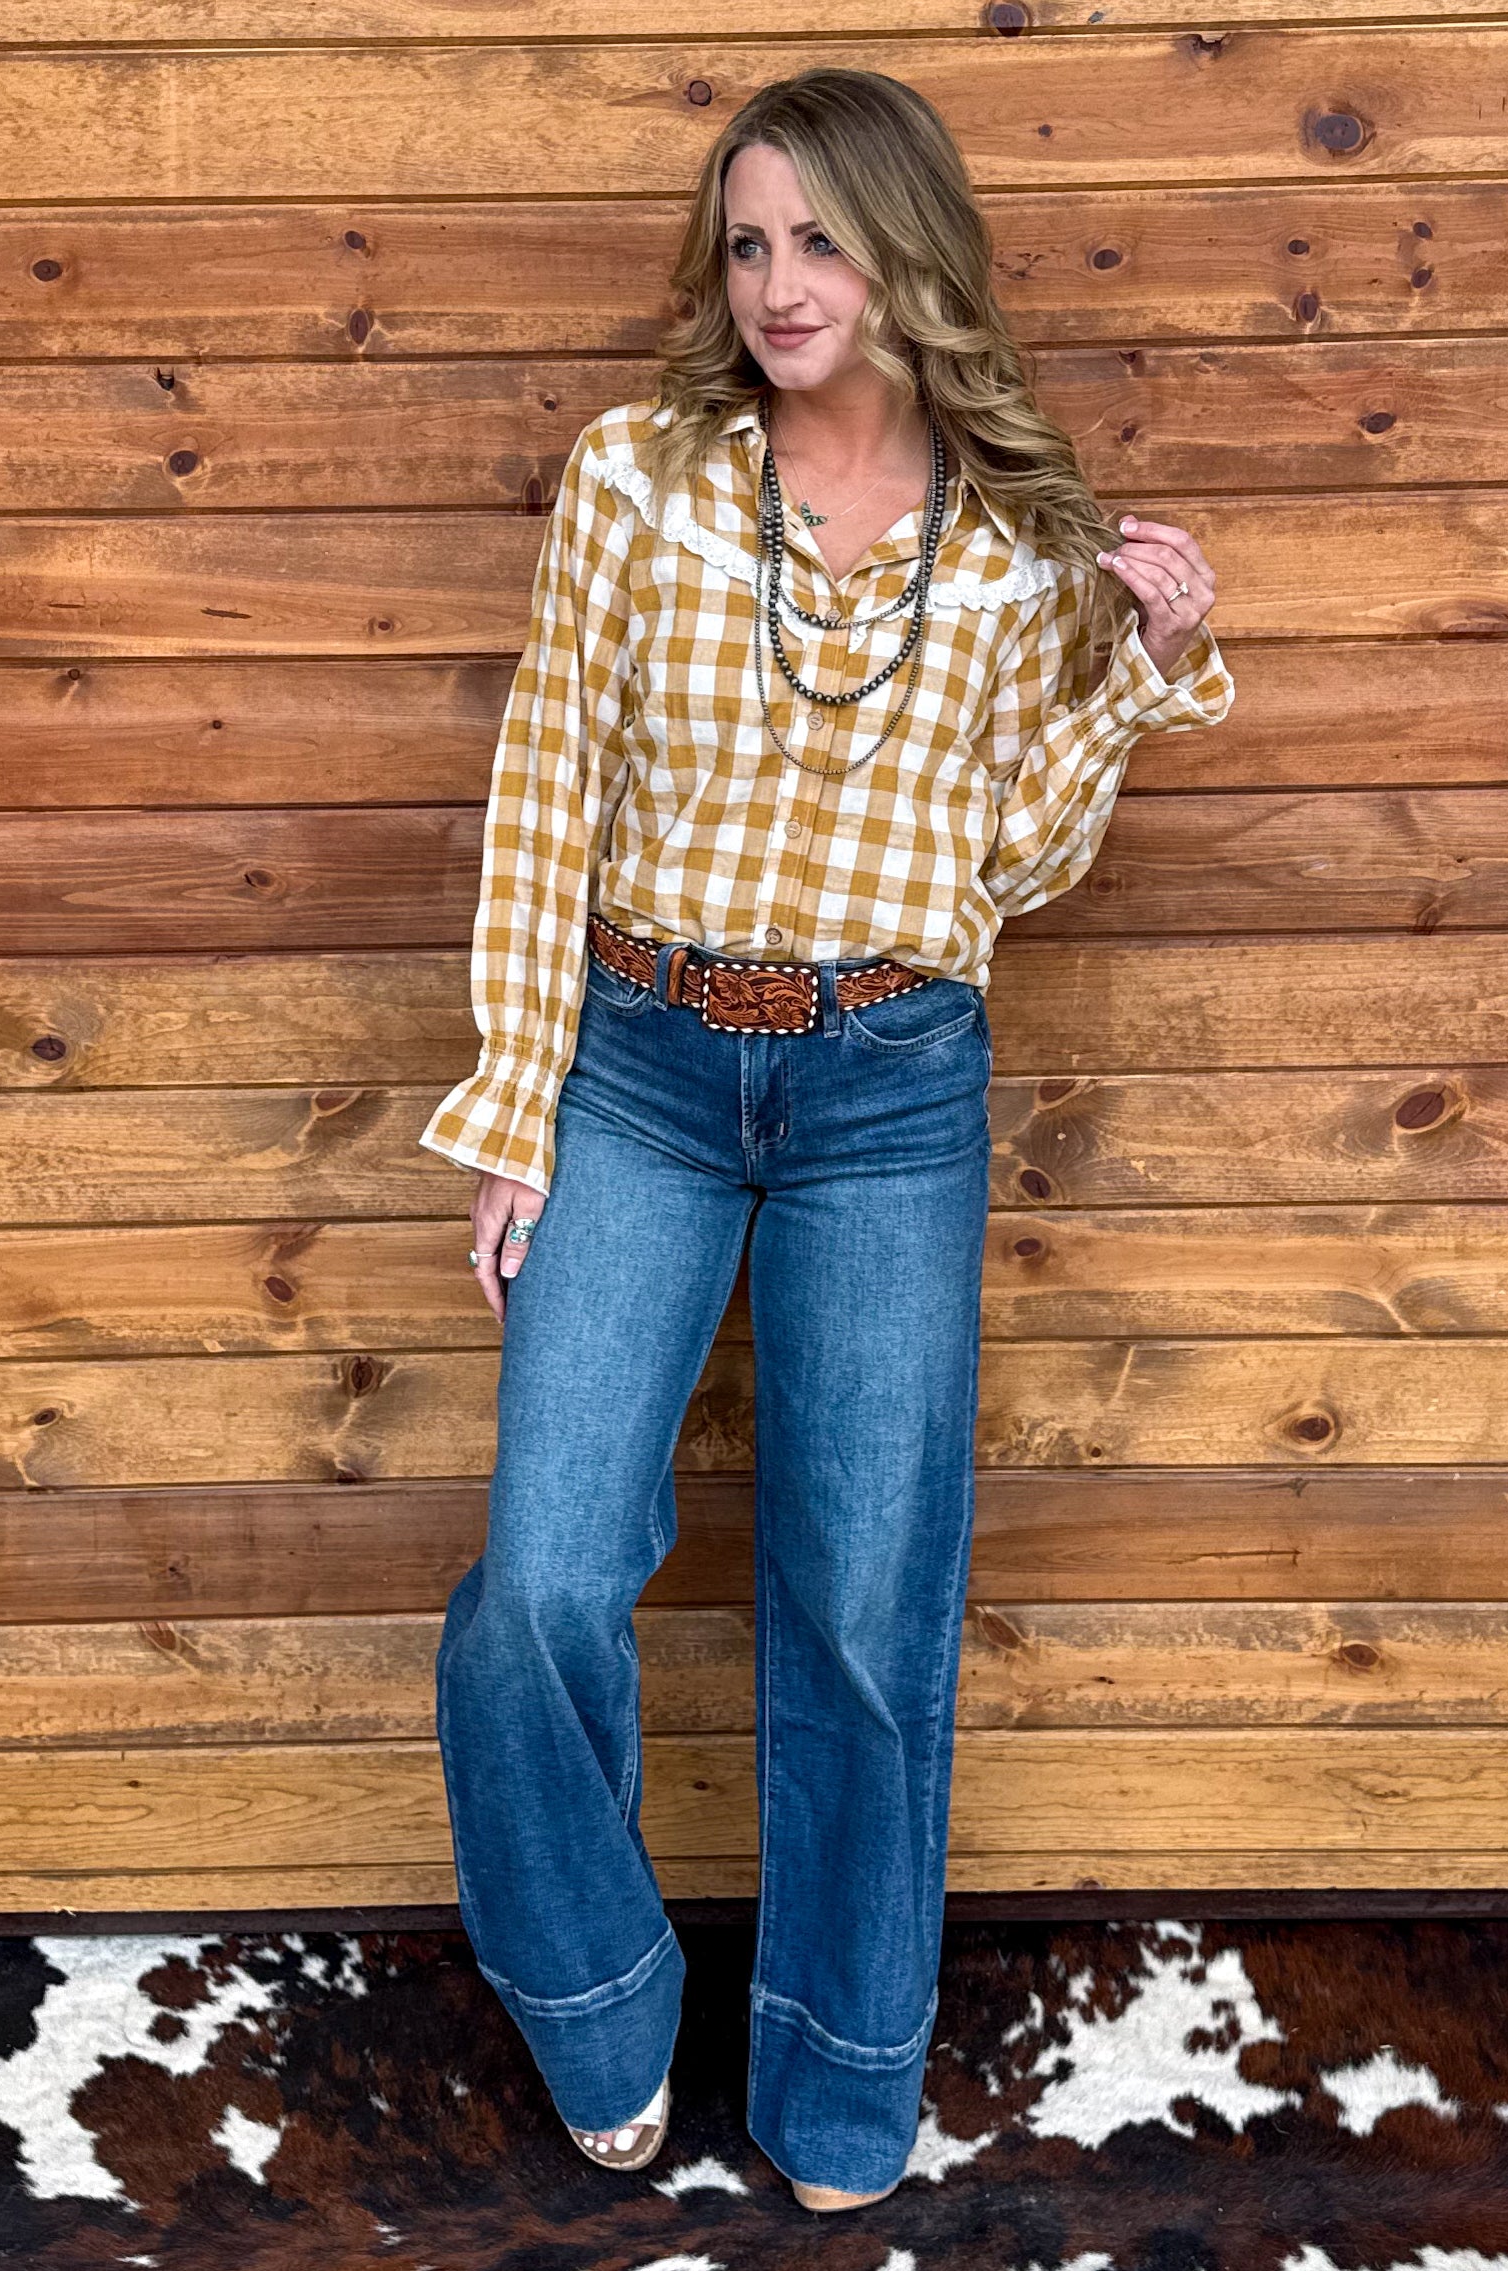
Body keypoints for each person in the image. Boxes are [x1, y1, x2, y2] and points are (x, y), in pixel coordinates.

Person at [421, 64, 1234, 2213]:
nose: (779, 284)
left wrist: (1142, 665)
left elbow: (1012, 860)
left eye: (822, 240)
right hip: (641, 1067)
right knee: (541, 1581)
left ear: (909, 253)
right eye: (749, 242)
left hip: (893, 1086)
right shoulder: (640, 476)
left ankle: (844, 2074)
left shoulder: (1020, 539)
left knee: (870, 1609)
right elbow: (546, 792)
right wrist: (516, 1106)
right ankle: (601, 2003)